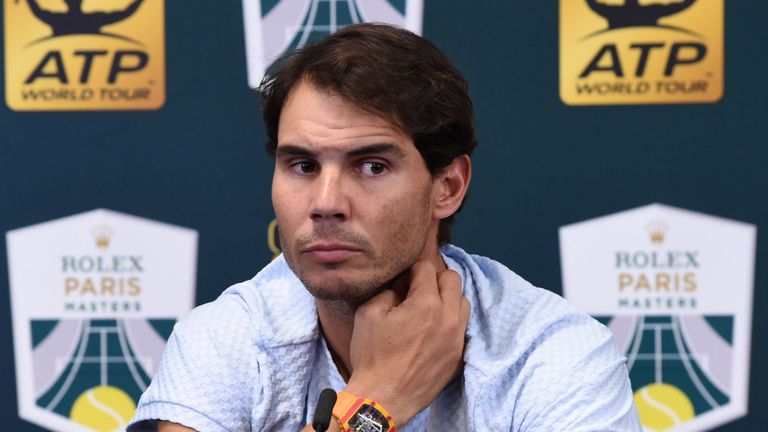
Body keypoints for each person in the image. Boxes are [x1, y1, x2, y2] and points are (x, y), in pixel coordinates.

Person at [128, 23, 640, 432]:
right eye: (303, 166)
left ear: (448, 186)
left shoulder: (554, 355)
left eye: (372, 166)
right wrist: (374, 401)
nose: (326, 203)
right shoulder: (230, 335)